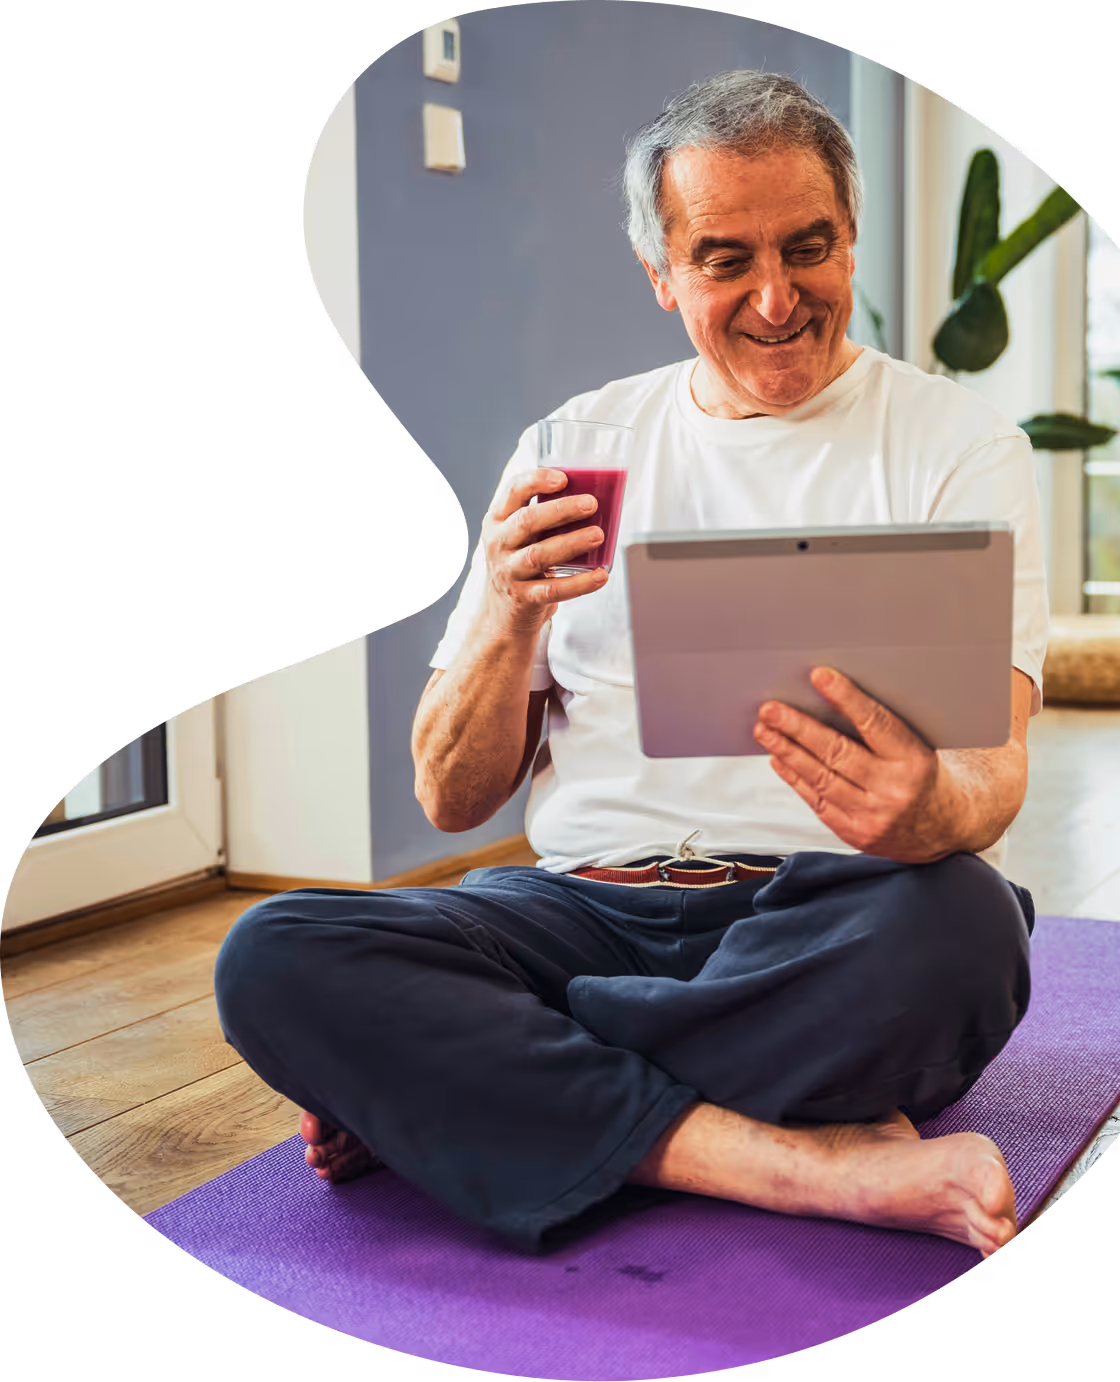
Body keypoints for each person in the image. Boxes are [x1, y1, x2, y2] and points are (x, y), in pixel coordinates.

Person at [215, 71, 1048, 1262]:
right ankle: (795, 1158)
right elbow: (452, 798)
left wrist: (932, 806)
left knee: (966, 927)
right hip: (582, 904)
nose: (776, 296)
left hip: (835, 908)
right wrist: (506, 607)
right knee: (276, 954)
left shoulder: (958, 446)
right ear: (661, 276)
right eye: (724, 261)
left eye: (808, 248)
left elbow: (994, 773)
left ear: (851, 239)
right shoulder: (570, 451)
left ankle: (486, 1085)